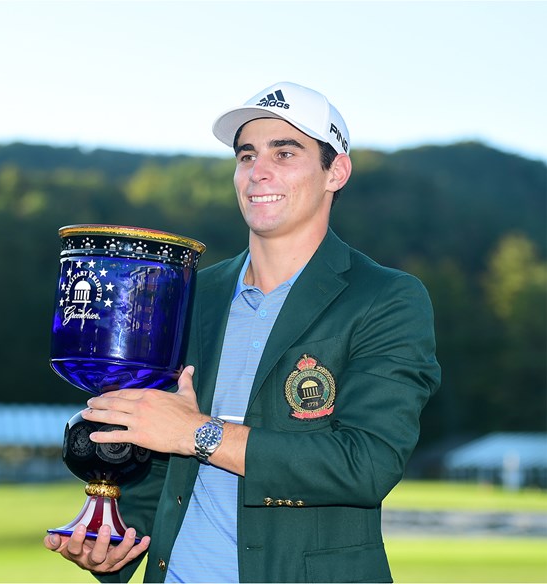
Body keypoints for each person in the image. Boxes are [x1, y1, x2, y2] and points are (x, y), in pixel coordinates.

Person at [44, 81, 441, 583]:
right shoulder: (191, 293)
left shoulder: (385, 298)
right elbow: (159, 454)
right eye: (246, 154)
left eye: (285, 152)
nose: (259, 171)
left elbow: (365, 465)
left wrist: (199, 434)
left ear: (335, 171)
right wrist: (118, 542)